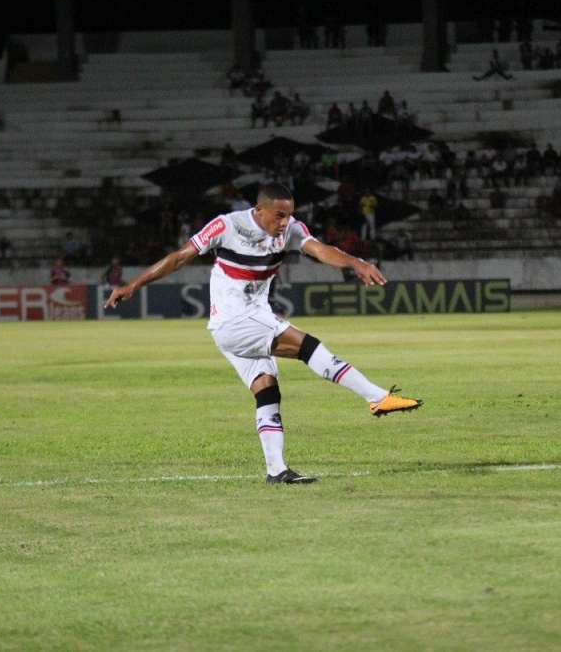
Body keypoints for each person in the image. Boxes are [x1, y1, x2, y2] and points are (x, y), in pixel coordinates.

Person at [104, 183, 423, 484]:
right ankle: (377, 397)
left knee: (267, 389)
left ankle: (277, 469)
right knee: (307, 346)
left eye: (289, 214)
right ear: (260, 209)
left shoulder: (292, 230)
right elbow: (179, 258)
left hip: (247, 323)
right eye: (279, 215)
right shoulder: (227, 226)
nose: (285, 222)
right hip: (234, 321)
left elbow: (322, 250)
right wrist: (134, 285)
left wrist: (354, 262)